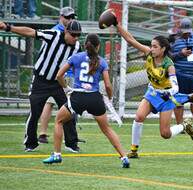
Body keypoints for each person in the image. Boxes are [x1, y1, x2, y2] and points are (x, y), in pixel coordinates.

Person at [111, 15, 193, 158]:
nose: (152, 48)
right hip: (152, 93)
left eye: (155, 46)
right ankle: (133, 151)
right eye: (151, 45)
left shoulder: (169, 65)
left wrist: (168, 92)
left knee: (165, 134)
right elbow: (130, 39)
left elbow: (176, 88)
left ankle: (184, 125)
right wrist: (117, 25)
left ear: (163, 49)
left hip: (166, 98)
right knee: (138, 117)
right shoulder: (149, 54)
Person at [42, 33, 130, 168]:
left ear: (85, 45)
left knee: (59, 121)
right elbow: (107, 85)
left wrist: (66, 89)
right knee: (106, 129)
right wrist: (110, 98)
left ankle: (57, 154)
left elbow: (59, 75)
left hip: (78, 97)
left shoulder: (76, 57)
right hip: (95, 98)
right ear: (98, 46)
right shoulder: (102, 61)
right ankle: (124, 157)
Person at [0, 20, 82, 152]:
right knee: (35, 112)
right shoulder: (54, 35)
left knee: (69, 110)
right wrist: (9, 28)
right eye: (73, 35)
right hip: (40, 81)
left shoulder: (77, 47)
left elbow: (80, 64)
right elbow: (31, 32)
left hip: (58, 83)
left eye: (78, 35)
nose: (76, 38)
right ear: (66, 31)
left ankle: (71, 143)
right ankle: (30, 143)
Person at [38, 7, 85, 146]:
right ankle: (43, 133)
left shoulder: (73, 32)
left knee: (65, 105)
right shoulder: (55, 31)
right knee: (51, 103)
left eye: (72, 17)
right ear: (61, 17)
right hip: (58, 74)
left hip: (68, 74)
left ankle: (68, 137)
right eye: (68, 17)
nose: (70, 19)